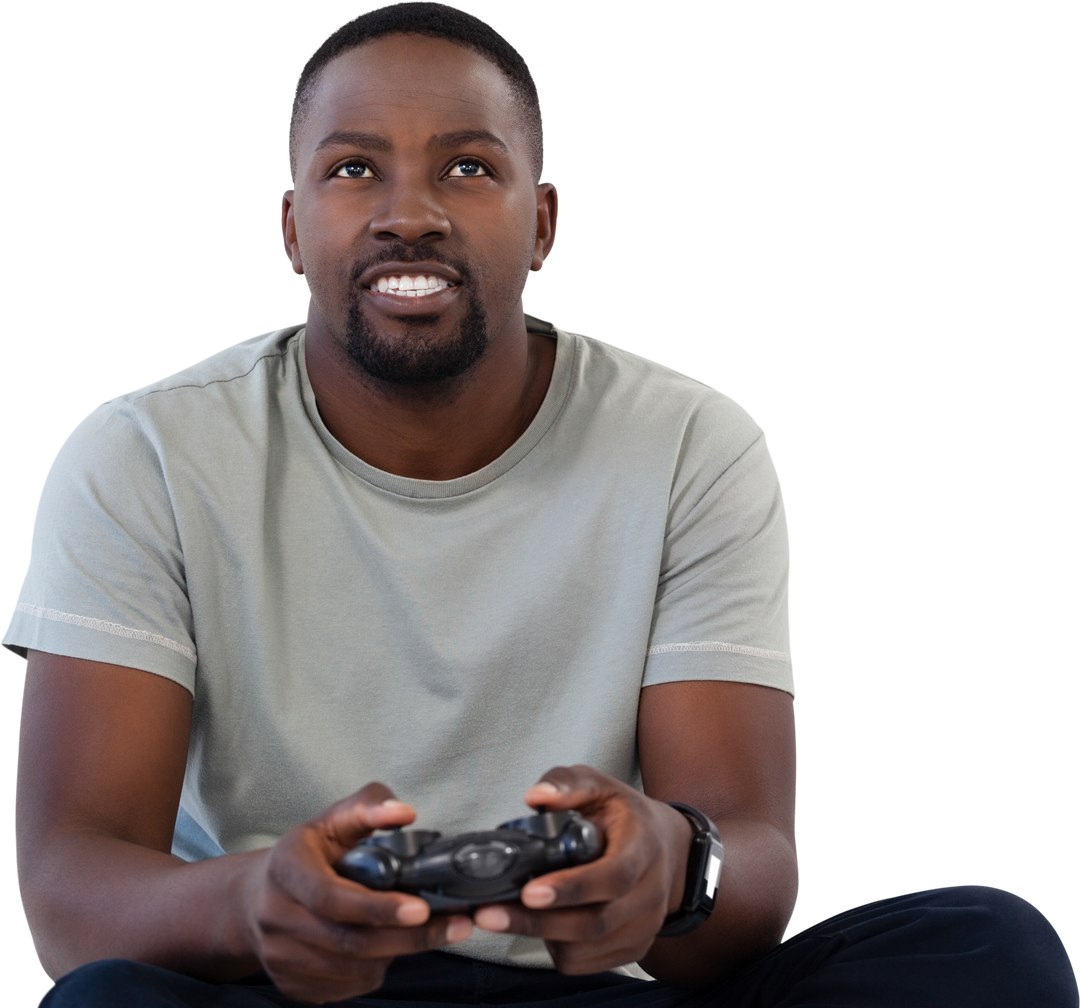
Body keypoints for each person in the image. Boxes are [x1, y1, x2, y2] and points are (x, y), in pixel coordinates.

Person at [6, 3, 1076, 1006]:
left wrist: (669, 867)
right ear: (291, 228)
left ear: (545, 222)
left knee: (992, 945)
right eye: (353, 169)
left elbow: (751, 870)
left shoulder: (694, 444)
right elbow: (71, 893)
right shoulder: (141, 450)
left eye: (468, 166)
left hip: (589, 987)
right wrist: (253, 902)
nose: (409, 215)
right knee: (105, 997)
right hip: (285, 987)